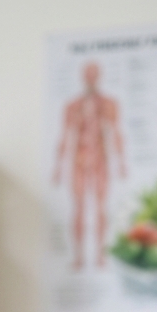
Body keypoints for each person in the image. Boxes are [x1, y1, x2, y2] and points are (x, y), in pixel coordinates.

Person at [54, 61, 127, 269]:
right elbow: (65, 136)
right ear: (83, 76)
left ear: (99, 76)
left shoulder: (109, 104)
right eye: (88, 74)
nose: (91, 78)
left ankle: (100, 256)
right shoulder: (72, 106)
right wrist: (58, 167)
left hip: (100, 161)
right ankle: (78, 257)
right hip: (79, 160)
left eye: (94, 74)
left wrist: (121, 162)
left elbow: (116, 133)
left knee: (101, 208)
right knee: (78, 208)